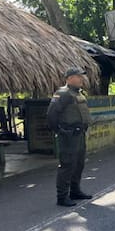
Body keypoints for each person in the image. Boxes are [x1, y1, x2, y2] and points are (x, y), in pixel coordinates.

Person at [47, 67, 93, 206]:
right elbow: (51, 114)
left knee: (79, 164)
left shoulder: (78, 93)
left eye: (81, 76)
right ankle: (62, 197)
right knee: (67, 165)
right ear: (70, 78)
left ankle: (75, 191)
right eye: (78, 76)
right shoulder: (63, 93)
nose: (81, 79)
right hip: (69, 135)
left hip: (79, 134)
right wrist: (60, 131)